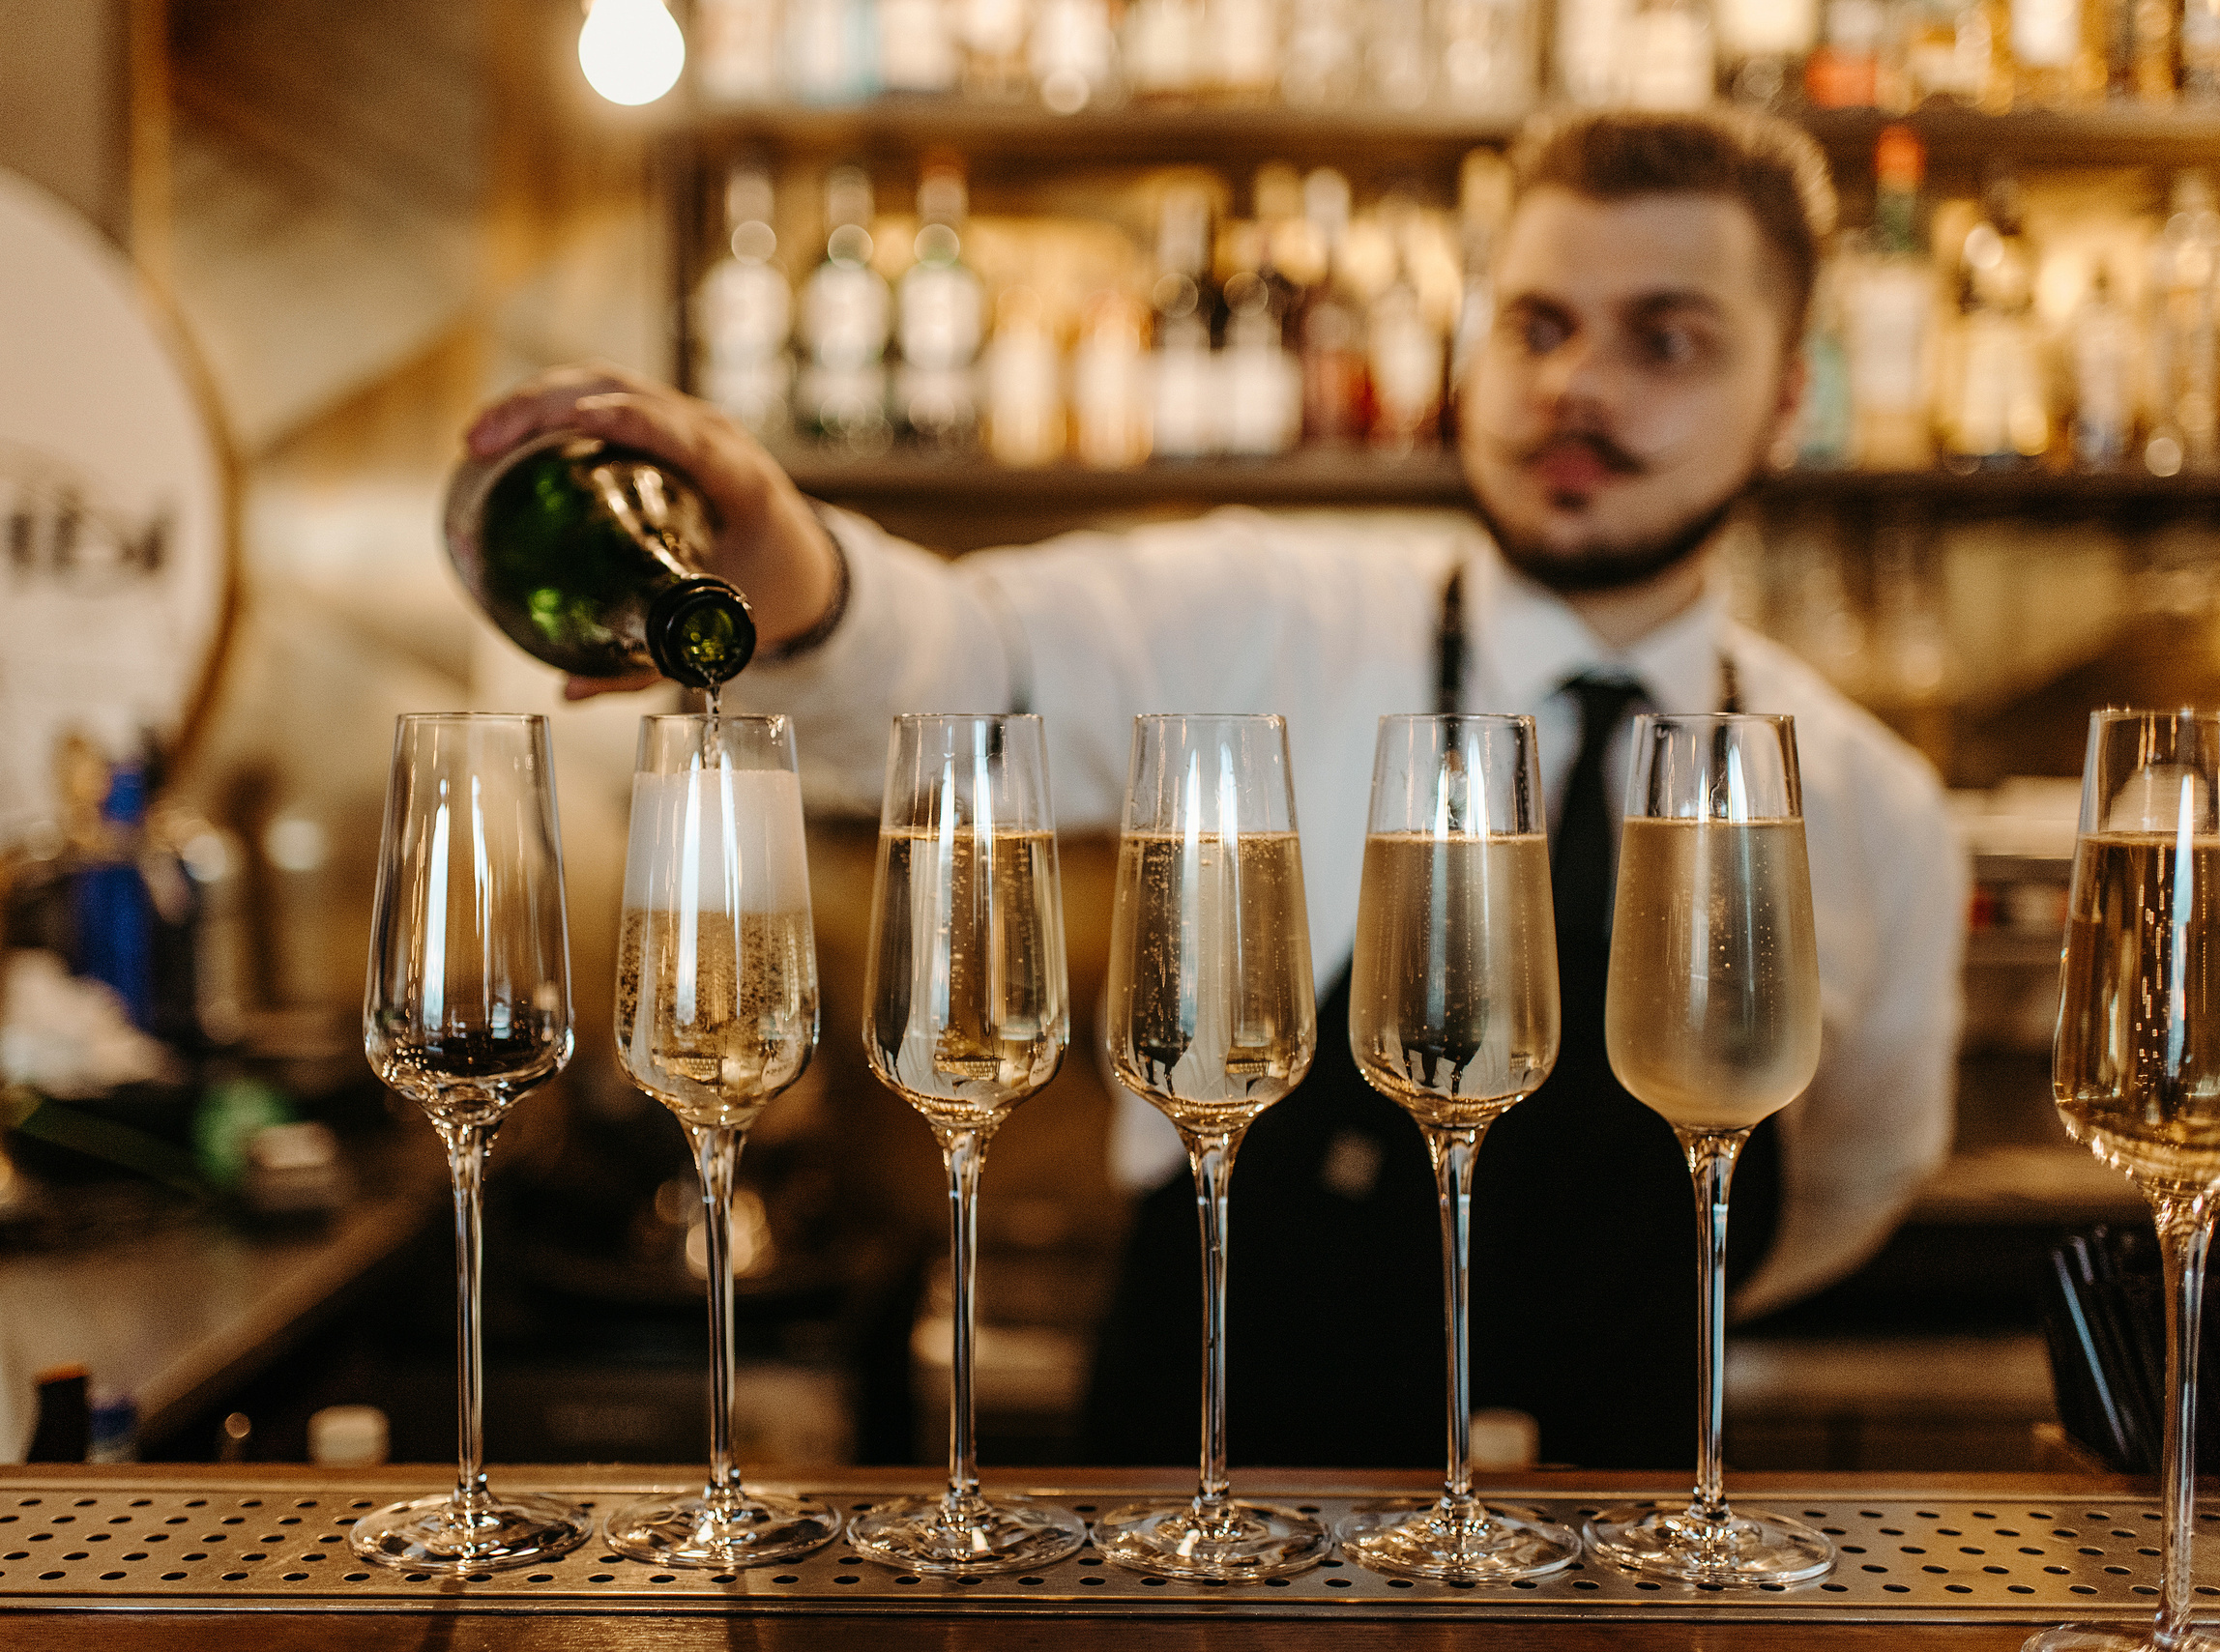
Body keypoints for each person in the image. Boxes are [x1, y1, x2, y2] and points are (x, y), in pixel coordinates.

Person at [468, 106, 1967, 1470]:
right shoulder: (1263, 611)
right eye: (1537, 325)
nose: (1576, 385)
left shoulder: (1872, 807)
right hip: (1214, 1482)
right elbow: (964, 666)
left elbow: (1860, 1176)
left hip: (1631, 1531)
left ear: (1790, 397)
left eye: (1667, 341)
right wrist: (794, 572)